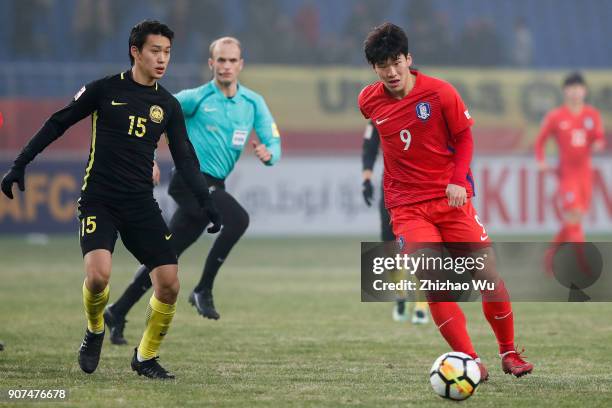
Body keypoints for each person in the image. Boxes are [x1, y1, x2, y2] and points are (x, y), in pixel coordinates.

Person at [0, 20, 221, 379]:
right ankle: (95, 329)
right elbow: (58, 122)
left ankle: (145, 357)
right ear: (135, 52)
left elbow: (184, 158)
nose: (162, 59)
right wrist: (20, 164)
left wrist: (206, 202)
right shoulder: (104, 90)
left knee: (169, 283)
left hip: (140, 205)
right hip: (99, 200)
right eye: (155, 51)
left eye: (167, 52)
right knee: (99, 277)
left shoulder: (167, 105)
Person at [358, 23, 533, 379]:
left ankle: (509, 353)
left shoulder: (440, 93)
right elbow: (380, 139)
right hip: (407, 208)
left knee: (489, 277)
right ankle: (470, 362)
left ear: (409, 58)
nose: (391, 71)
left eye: (396, 62)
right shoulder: (368, 101)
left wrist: (457, 182)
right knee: (434, 283)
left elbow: (465, 139)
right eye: (382, 65)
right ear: (373, 68)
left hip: (450, 200)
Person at [103, 36, 281, 345]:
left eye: (231, 60)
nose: (226, 66)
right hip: (190, 181)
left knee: (165, 257)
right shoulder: (195, 98)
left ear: (241, 65)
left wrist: (270, 154)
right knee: (238, 219)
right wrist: (146, 159)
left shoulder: (253, 103)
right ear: (211, 64)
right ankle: (203, 289)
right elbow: (150, 116)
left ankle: (117, 311)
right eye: (220, 60)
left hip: (213, 185)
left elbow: (273, 140)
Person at [535, 72, 605, 273]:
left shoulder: (592, 115)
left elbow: (599, 137)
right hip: (567, 173)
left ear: (585, 91)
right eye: (571, 89)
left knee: (575, 219)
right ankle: (583, 264)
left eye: (579, 88)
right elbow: (540, 141)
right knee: (573, 214)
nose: (575, 92)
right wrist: (541, 161)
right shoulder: (556, 116)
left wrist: (599, 142)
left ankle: (551, 255)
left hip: (585, 174)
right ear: (565, 91)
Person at [361, 120, 428, 324]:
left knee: (420, 245)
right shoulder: (381, 111)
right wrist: (366, 178)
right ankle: (400, 294)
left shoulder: (425, 109)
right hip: (391, 188)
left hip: (422, 187)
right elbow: (370, 146)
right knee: (390, 245)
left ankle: (421, 305)